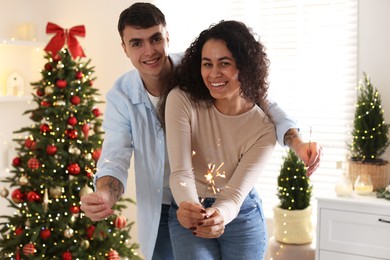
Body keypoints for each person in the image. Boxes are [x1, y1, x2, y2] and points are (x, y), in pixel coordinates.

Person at [80, 3, 322, 260]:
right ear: (124, 48)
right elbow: (115, 155)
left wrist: (295, 141)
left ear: (167, 36)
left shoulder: (199, 67)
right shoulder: (122, 96)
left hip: (229, 199)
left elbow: (258, 101)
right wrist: (105, 194)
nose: (149, 51)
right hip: (165, 205)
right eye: (137, 43)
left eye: (155, 38)